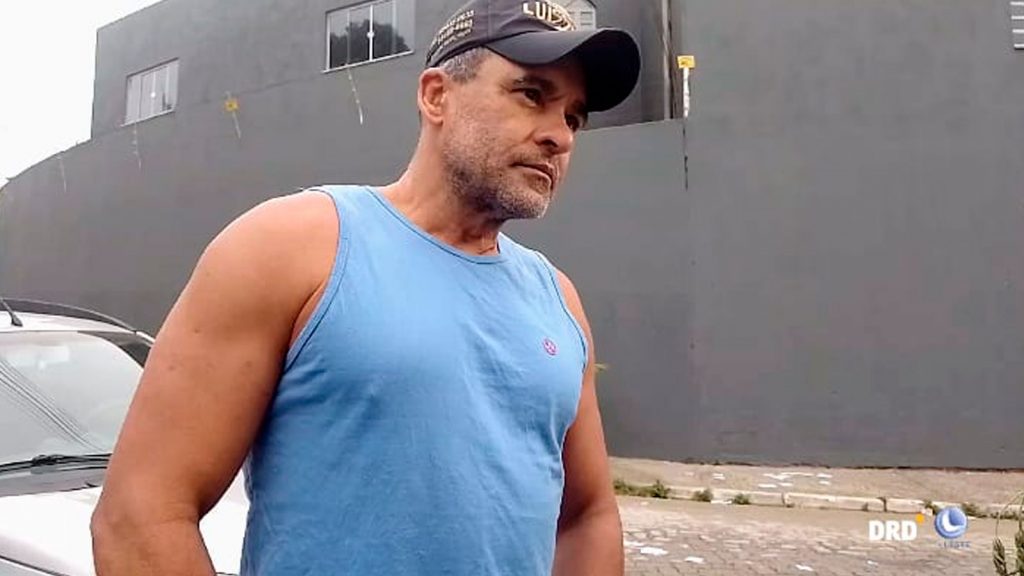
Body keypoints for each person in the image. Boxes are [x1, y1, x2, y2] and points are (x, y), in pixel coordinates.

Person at [91, 0, 641, 574]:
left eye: (573, 117)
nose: (559, 136)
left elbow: (587, 515)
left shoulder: (558, 300)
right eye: (531, 94)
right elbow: (139, 513)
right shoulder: (293, 246)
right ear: (437, 96)